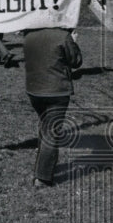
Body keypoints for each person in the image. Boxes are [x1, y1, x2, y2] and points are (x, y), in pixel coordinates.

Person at [23, 27, 82, 188]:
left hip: (34, 89)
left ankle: (44, 165)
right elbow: (76, 61)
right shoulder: (63, 36)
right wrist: (74, 43)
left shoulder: (29, 35)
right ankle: (42, 177)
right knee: (51, 131)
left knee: (45, 125)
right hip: (56, 90)